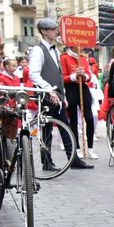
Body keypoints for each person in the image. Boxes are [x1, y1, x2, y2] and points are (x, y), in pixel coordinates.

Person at [28, 18, 78, 171]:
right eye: (53, 28)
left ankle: (72, 158)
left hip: (56, 95)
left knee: (65, 126)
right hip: (45, 95)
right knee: (47, 129)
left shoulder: (55, 50)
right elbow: (33, 74)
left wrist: (63, 96)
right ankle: (47, 162)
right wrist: (48, 89)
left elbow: (57, 74)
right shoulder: (38, 50)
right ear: (44, 31)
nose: (56, 31)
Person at [60, 43, 96, 168]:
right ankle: (77, 148)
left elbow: (89, 76)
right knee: (73, 121)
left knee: (90, 118)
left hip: (83, 88)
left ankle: (90, 148)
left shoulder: (83, 58)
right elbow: (62, 77)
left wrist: (84, 75)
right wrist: (75, 75)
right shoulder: (63, 57)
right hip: (70, 89)